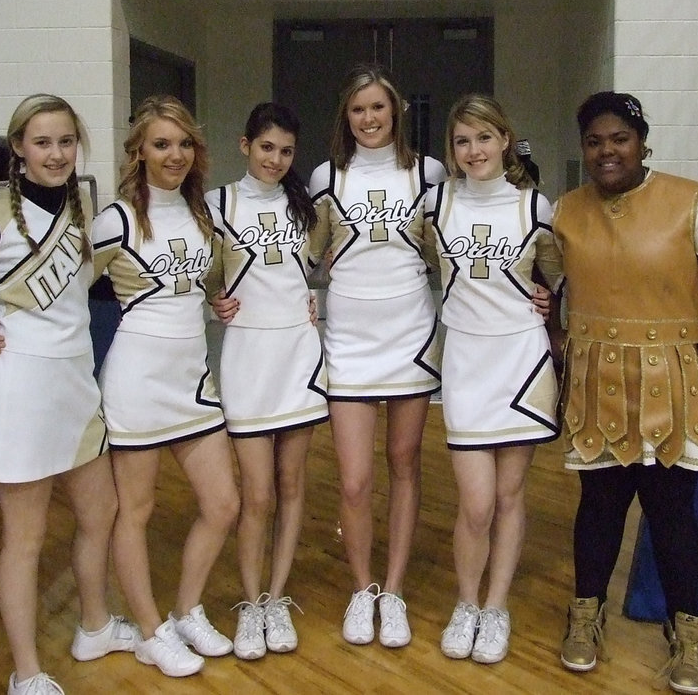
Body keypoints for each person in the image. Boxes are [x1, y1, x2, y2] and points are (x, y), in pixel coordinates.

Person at [549, 91, 698, 694]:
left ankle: (686, 630)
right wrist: (556, 332)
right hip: (597, 384)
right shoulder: (566, 210)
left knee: (671, 511)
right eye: (594, 141)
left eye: (619, 138)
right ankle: (585, 615)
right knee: (599, 506)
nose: (607, 151)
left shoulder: (692, 203)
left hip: (673, 382)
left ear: (642, 141)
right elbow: (543, 284)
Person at [0, 95, 132, 695]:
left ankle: (94, 625)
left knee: (101, 512)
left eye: (66, 142)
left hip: (75, 382)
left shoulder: (81, 206)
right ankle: (26, 672)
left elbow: (94, 289)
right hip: (19, 388)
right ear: (18, 148)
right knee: (26, 538)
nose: (57, 154)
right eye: (43, 142)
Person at [91, 94, 239, 677]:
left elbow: (197, 286)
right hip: (137, 379)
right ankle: (150, 630)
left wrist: (215, 299)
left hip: (192, 378)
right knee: (137, 511)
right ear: (138, 152)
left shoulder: (203, 215)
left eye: (183, 144)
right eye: (161, 144)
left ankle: (185, 610)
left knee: (223, 503)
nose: (174, 154)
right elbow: (64, 287)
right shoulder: (118, 218)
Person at [308, 63, 446, 648]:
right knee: (356, 480)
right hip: (349, 341)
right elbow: (310, 257)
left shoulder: (429, 172)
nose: (368, 119)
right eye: (358, 109)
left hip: (410, 335)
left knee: (405, 463)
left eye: (378, 108)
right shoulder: (325, 177)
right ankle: (361, 589)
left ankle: (394, 592)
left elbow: (451, 252)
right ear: (347, 115)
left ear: (397, 113)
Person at [422, 95, 560, 665]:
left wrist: (548, 299)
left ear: (505, 139)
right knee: (474, 503)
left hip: (521, 360)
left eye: (483, 137)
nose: (473, 150)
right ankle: (466, 602)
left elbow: (555, 274)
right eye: (461, 141)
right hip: (467, 362)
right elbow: (410, 263)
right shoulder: (436, 204)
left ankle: (495, 606)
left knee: (507, 496)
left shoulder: (535, 207)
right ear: (451, 151)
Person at [204, 102, 330, 661]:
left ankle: (277, 598)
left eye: (285, 151)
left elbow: (336, 265)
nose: (275, 159)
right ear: (244, 145)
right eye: (266, 148)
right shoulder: (214, 206)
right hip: (248, 358)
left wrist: (319, 302)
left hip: (299, 355)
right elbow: (196, 280)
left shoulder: (307, 208)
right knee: (256, 495)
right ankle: (250, 602)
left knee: (292, 485)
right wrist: (214, 303)